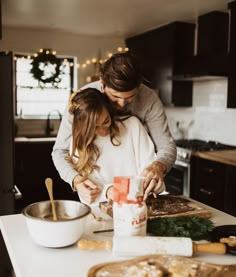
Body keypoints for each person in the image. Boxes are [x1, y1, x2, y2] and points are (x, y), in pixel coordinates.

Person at [52, 51, 176, 201]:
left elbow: (166, 146)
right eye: (115, 96)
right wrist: (76, 179)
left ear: (139, 86)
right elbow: (60, 151)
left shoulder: (148, 102)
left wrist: (158, 166)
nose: (122, 104)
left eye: (130, 97)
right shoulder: (82, 104)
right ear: (102, 83)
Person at [66, 88, 163, 205]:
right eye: (95, 128)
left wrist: (153, 181)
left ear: (108, 109)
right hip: (99, 213)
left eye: (106, 121)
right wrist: (107, 191)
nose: (103, 131)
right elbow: (87, 195)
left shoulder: (133, 126)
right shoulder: (79, 143)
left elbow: (150, 169)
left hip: (138, 209)